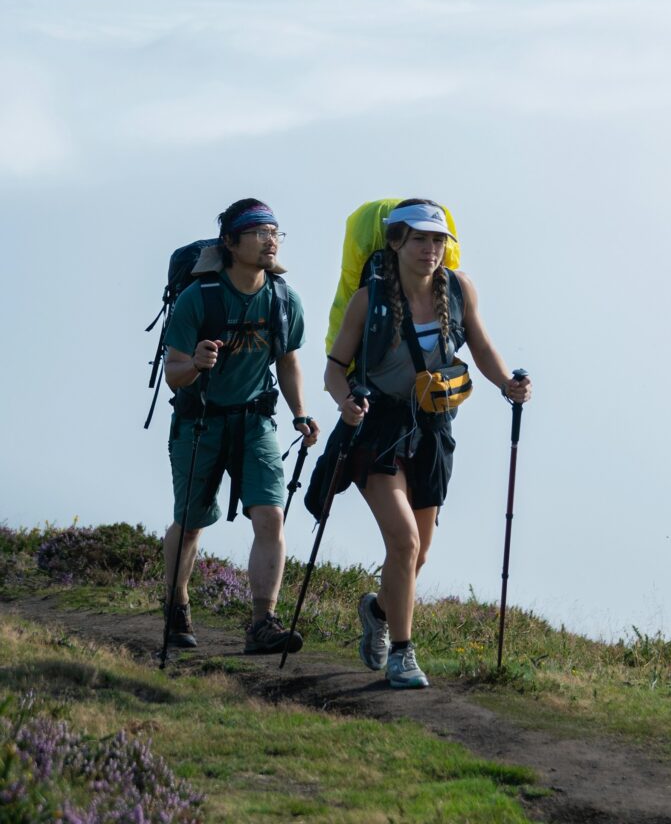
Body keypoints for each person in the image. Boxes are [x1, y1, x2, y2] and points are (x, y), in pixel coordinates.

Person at [324, 199, 531, 689]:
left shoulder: (459, 290)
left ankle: (378, 611)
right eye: (419, 239)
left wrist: (507, 384)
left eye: (438, 240)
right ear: (396, 242)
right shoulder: (368, 299)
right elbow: (335, 368)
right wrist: (345, 402)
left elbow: (480, 346)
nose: (430, 249)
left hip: (434, 429)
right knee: (405, 542)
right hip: (379, 428)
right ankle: (402, 654)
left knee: (417, 557)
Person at [162, 198, 320, 655]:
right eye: (259, 232)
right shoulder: (198, 298)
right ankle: (176, 602)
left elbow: (288, 361)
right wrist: (196, 363)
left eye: (275, 232)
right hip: (200, 422)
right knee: (190, 524)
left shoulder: (284, 299)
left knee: (271, 516)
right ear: (230, 243)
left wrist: (300, 414)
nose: (271, 241)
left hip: (256, 422)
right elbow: (173, 372)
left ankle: (263, 623)